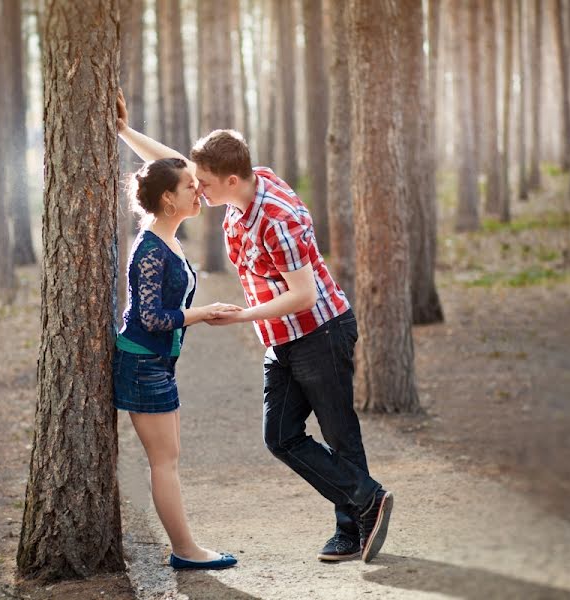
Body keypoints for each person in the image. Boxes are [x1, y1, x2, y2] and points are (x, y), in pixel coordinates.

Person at [116, 91, 393, 563]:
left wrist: (240, 315)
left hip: (319, 331)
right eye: (193, 183)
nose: (197, 189)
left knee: (339, 432)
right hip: (281, 337)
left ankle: (353, 527)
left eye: (202, 183)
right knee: (281, 436)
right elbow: (173, 165)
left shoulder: (277, 220)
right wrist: (123, 131)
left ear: (228, 179)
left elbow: (304, 295)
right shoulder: (241, 183)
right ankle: (364, 499)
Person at [113, 155, 241, 570]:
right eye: (189, 186)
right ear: (168, 199)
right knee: (164, 463)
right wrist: (202, 313)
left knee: (169, 459)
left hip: (158, 363)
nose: (198, 190)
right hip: (142, 363)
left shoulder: (167, 238)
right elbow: (148, 317)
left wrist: (128, 130)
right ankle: (186, 551)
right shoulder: (150, 248)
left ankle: (186, 548)